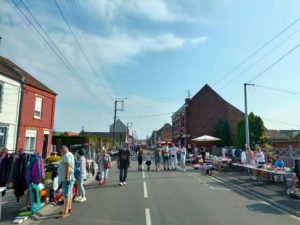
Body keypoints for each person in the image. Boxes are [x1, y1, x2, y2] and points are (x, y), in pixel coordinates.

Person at [57, 146, 75, 219]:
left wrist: (66, 177)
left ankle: (66, 211)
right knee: (69, 194)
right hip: (70, 178)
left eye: (61, 152)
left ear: (63, 151)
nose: (60, 153)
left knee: (66, 195)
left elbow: (68, 165)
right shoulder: (70, 154)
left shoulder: (66, 155)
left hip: (67, 179)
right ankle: (69, 208)